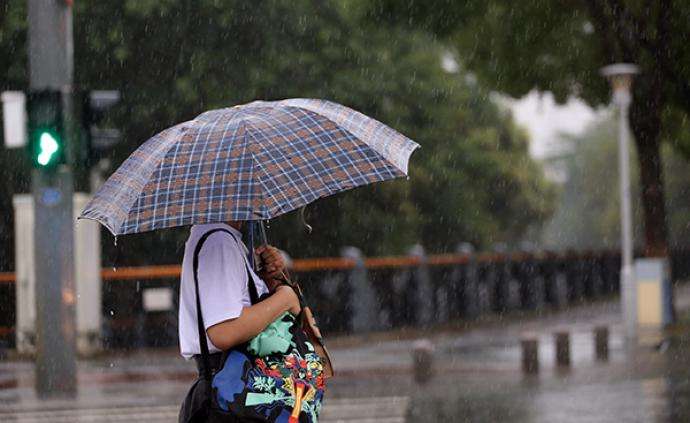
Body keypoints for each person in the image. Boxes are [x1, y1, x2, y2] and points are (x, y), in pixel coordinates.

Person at [178, 221, 300, 363]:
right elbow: (223, 333)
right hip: (238, 373)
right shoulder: (219, 241)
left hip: (236, 372)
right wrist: (284, 298)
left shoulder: (219, 237)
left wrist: (270, 282)